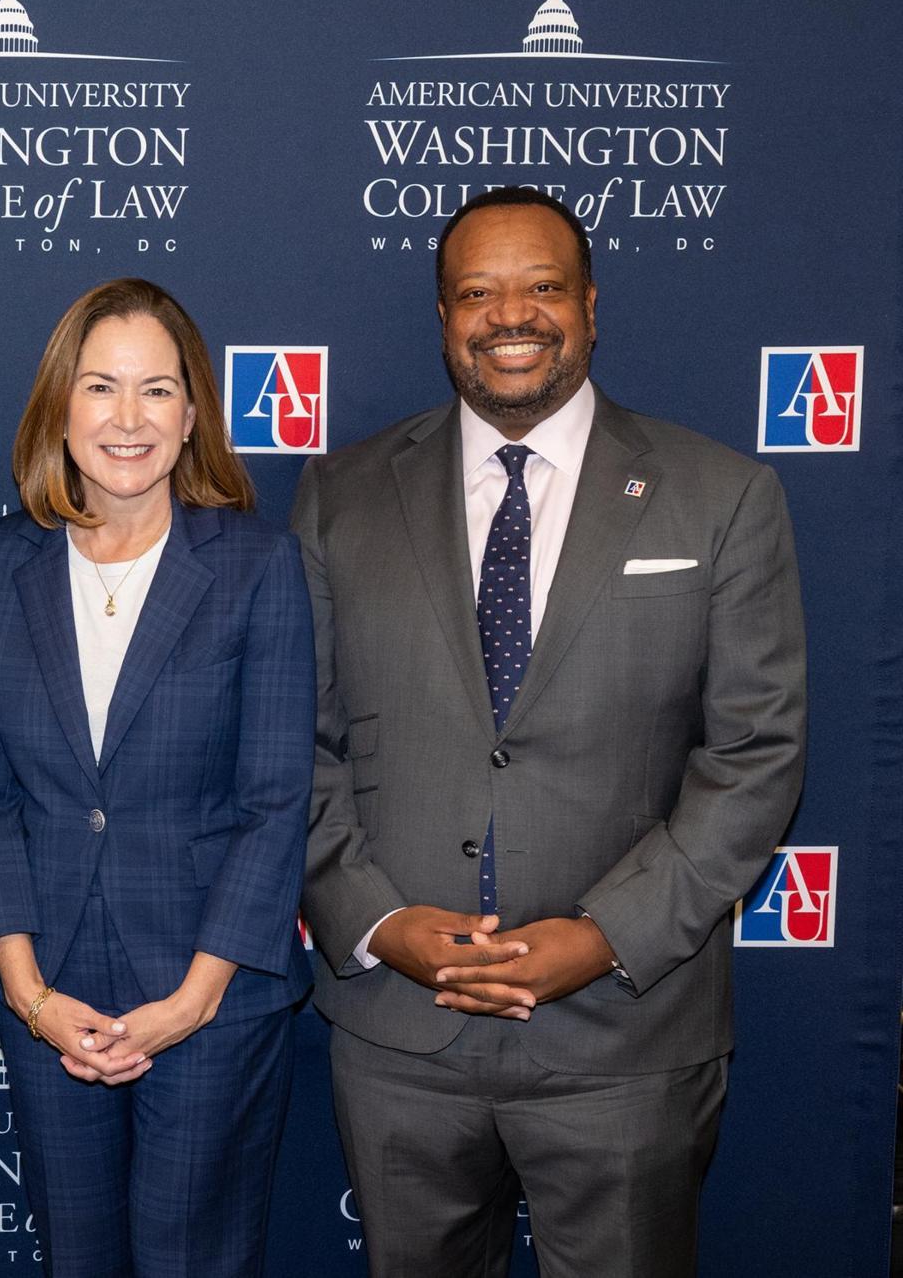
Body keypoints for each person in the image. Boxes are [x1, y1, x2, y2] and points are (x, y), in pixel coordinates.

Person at [291, 186, 807, 1277]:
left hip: (629, 1033)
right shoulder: (338, 496)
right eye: (476, 291)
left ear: (590, 305)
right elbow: (296, 745)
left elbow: (754, 756)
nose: (508, 314)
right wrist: (378, 923)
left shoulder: (720, 495)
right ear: (442, 316)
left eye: (541, 286)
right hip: (402, 1031)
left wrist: (603, 933)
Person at [0, 277, 313, 1278]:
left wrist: (192, 1000)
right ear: (59, 412)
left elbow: (275, 800)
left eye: (157, 390)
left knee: (188, 1259)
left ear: (192, 415)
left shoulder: (256, 564)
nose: (127, 417)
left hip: (210, 995)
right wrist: (27, 992)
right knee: (78, 1260)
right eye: (101, 387)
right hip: (47, 991)